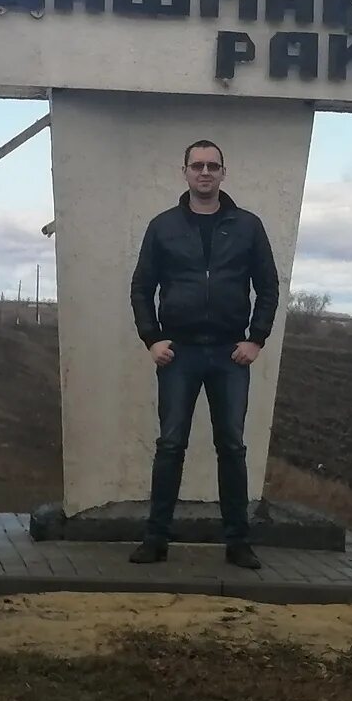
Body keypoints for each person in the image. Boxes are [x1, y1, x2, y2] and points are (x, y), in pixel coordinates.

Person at [127, 137, 281, 567]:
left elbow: (268, 287)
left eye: (213, 166)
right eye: (197, 166)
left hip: (231, 355)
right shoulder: (163, 226)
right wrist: (152, 338)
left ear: (223, 173)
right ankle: (156, 539)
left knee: (231, 447)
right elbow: (141, 287)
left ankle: (238, 542)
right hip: (179, 354)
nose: (205, 172)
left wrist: (256, 339)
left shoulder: (247, 226)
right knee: (170, 445)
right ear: (186, 173)